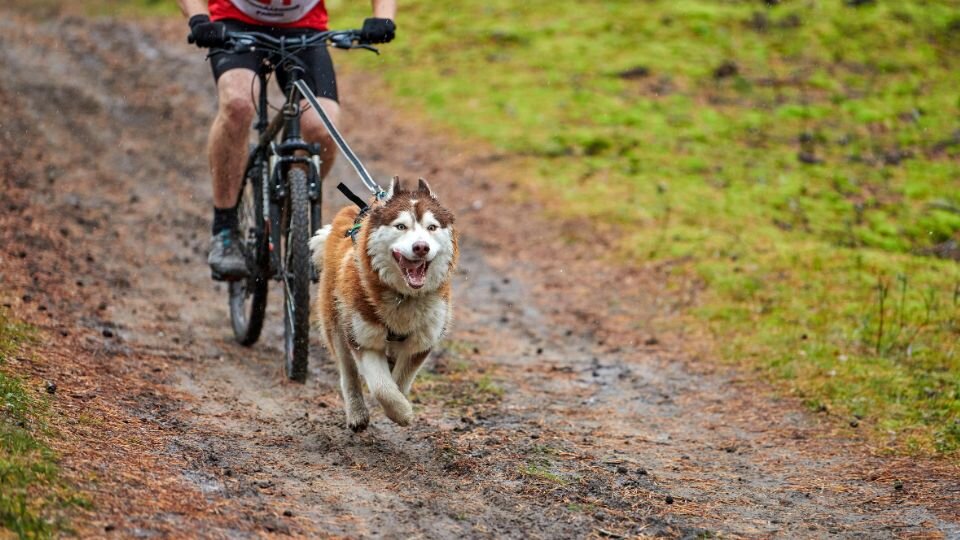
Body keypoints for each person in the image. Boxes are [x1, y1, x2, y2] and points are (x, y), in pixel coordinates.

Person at [176, 0, 397, 279]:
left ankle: (292, 224)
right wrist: (198, 19)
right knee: (237, 105)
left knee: (322, 127)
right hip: (234, 21)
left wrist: (383, 18)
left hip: (304, 28)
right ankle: (225, 230)